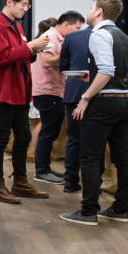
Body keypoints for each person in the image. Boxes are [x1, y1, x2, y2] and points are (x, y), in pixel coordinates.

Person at [61, 0, 128, 226]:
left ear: (99, 12)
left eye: (91, 7)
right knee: (122, 157)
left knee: (90, 156)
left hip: (104, 104)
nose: (89, 11)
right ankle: (120, 208)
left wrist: (85, 97)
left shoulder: (99, 34)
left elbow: (105, 71)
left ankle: (88, 212)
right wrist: (93, 76)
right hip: (125, 103)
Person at [0, 0, 52, 204]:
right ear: (9, 2)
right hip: (4, 90)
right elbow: (1, 57)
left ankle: (20, 181)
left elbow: (20, 56)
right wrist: (30, 45)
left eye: (27, 5)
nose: (25, 8)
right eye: (22, 4)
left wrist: (33, 51)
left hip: (20, 90)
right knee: (2, 138)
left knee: (23, 136)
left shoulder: (17, 26)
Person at [31, 11, 85, 184]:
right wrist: (70, 55)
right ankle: (41, 171)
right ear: (66, 24)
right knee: (48, 131)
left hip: (55, 89)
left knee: (50, 131)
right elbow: (46, 62)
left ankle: (44, 168)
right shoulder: (50, 36)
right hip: (47, 90)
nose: (77, 33)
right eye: (76, 28)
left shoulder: (59, 38)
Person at [59, 21, 93, 193]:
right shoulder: (111, 36)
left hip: (74, 91)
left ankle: (70, 181)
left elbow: (62, 67)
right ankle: (94, 185)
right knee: (95, 141)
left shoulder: (72, 37)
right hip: (97, 95)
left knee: (74, 138)